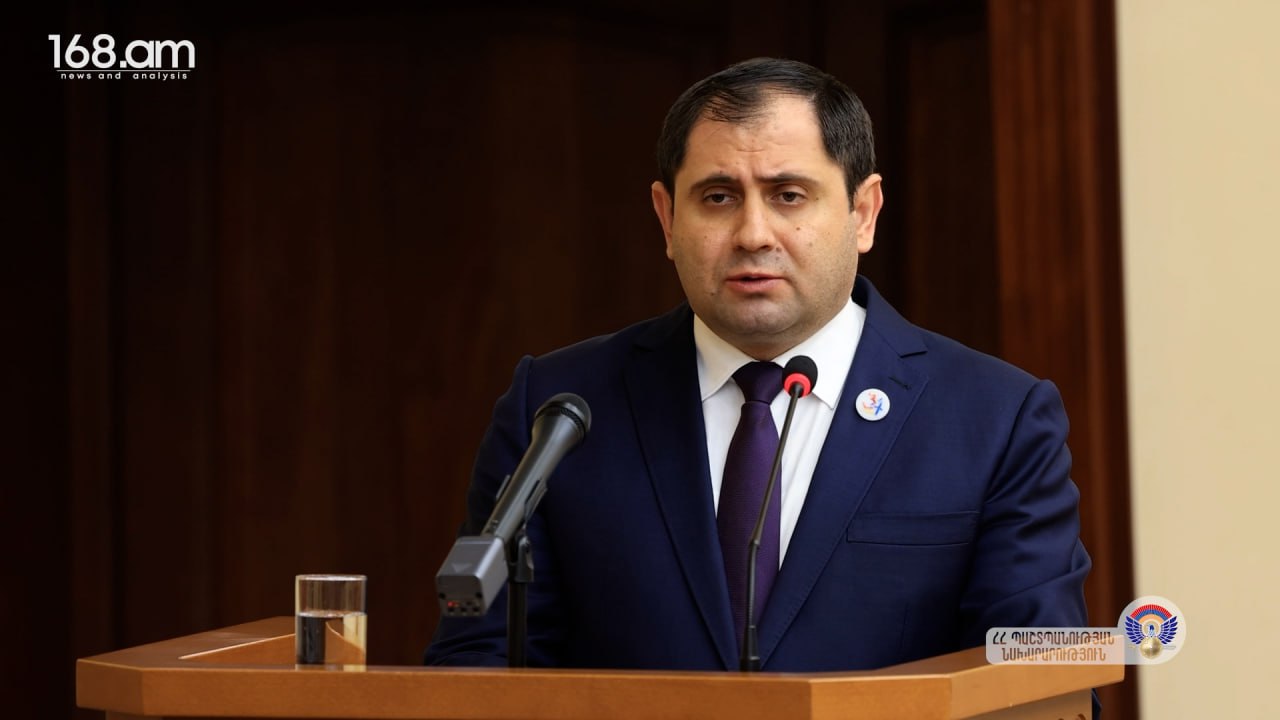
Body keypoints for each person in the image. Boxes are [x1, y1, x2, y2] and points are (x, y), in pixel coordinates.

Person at [425, 57, 1090, 674]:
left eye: (789, 195)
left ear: (863, 213)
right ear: (667, 218)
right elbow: (480, 661)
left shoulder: (995, 419)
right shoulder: (560, 409)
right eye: (718, 197)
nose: (752, 233)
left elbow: (1042, 678)